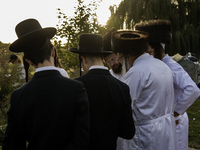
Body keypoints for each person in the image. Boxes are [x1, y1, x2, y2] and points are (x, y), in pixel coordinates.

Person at [3, 18, 90, 150]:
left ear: (28, 61)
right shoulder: (76, 88)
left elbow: (11, 145)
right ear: (53, 51)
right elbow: (83, 140)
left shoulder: (18, 96)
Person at [135, 19, 200, 150]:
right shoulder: (158, 65)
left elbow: (192, 89)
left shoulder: (171, 65)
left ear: (156, 49)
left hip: (176, 120)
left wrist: (175, 112)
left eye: (148, 52)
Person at [111, 30, 177, 150]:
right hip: (166, 128)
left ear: (128, 56)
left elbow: (126, 105)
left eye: (121, 58)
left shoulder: (137, 71)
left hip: (146, 133)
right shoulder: (161, 65)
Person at [69, 33, 135, 150]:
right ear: (102, 58)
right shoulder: (122, 88)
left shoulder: (74, 87)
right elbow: (128, 132)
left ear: (83, 58)